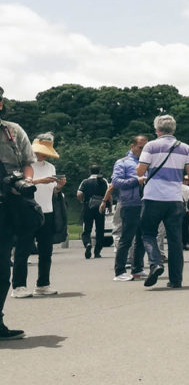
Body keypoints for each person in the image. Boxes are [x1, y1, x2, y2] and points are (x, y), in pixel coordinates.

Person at [136, 115, 189, 289]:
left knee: (148, 233)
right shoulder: (185, 148)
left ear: (157, 130)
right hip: (175, 198)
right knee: (175, 240)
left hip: (153, 197)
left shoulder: (151, 146)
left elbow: (140, 170)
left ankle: (155, 262)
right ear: (173, 129)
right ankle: (176, 280)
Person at [0, 87, 35, 339]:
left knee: (2, 268)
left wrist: (24, 183)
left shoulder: (13, 131)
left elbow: (27, 165)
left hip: (6, 206)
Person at [11, 135, 64, 298]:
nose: (44, 155)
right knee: (23, 249)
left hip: (46, 212)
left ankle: (43, 284)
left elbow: (52, 192)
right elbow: (17, 187)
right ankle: (19, 286)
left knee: (46, 251)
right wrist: (39, 181)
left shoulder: (50, 167)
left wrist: (58, 187)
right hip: (28, 211)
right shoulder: (24, 166)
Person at [111, 136, 148, 281]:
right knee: (126, 237)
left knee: (142, 237)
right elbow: (116, 181)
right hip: (129, 203)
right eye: (140, 147)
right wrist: (135, 180)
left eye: (145, 148)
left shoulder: (147, 162)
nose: (143, 151)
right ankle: (119, 271)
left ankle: (137, 269)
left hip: (144, 203)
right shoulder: (123, 162)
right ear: (132, 146)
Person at [77, 165, 108, 258]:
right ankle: (97, 251)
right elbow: (108, 193)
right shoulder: (104, 181)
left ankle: (87, 243)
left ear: (90, 172)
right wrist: (108, 204)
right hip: (100, 207)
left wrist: (82, 201)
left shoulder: (85, 182)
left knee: (87, 228)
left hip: (88, 206)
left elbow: (79, 194)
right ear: (99, 171)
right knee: (100, 229)